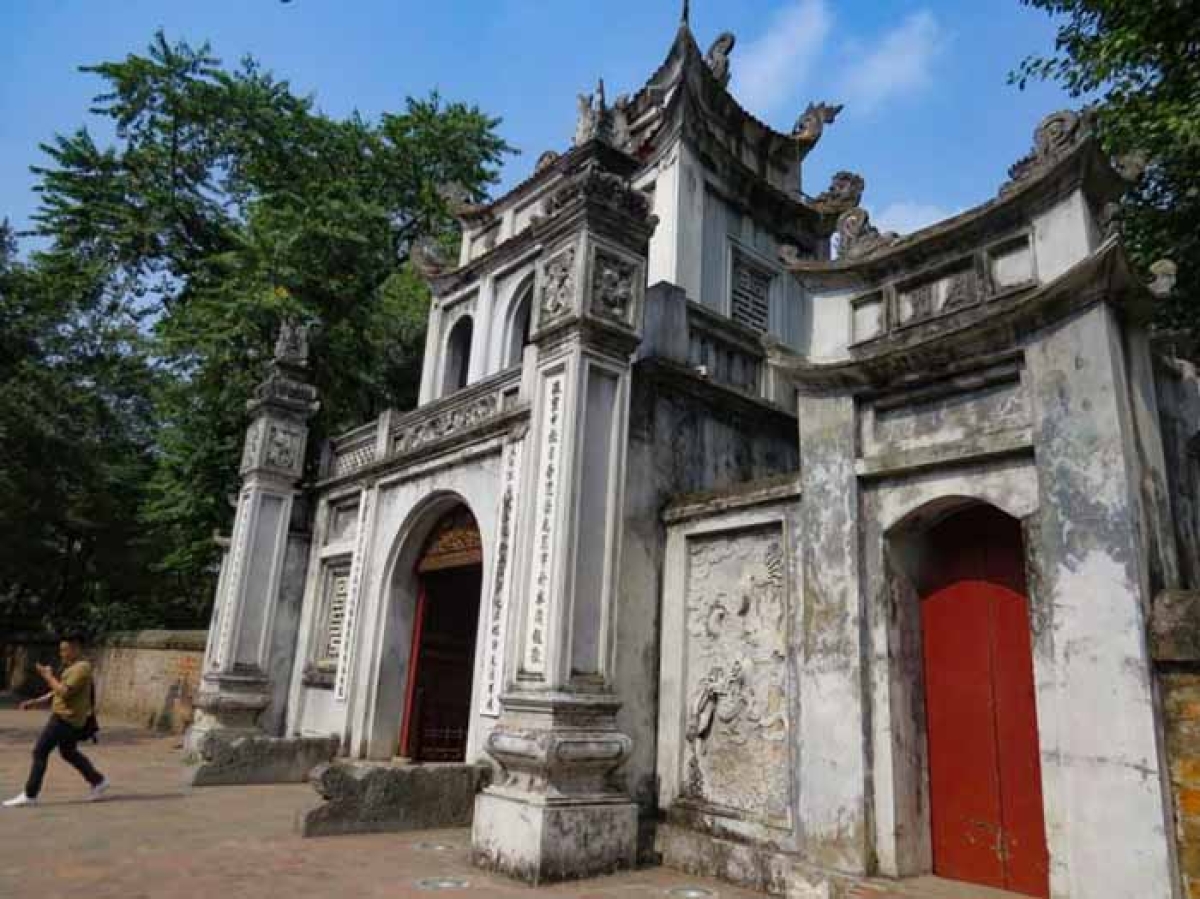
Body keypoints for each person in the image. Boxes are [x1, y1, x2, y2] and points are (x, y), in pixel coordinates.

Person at [3, 634, 109, 807]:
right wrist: (36, 701)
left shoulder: (82, 668)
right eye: (61, 650)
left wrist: (47, 675)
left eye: (65, 650)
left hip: (65, 719)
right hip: (67, 718)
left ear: (76, 648)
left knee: (40, 751)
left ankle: (30, 795)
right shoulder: (72, 668)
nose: (62, 654)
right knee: (68, 752)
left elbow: (64, 691)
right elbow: (56, 691)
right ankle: (98, 781)